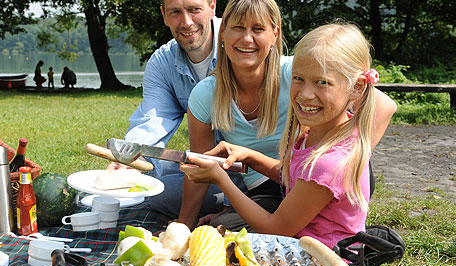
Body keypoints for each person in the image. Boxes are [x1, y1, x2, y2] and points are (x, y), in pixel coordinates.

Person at [177, 0, 396, 230]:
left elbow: (383, 105)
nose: (247, 39)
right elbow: (200, 164)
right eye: (239, 28)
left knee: (231, 231)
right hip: (279, 181)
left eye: (258, 29)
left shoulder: (299, 70)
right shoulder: (206, 93)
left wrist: (347, 159)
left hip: (314, 181)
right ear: (222, 33)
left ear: (275, 34)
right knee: (221, 226)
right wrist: (183, 225)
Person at [107, 0, 247, 220]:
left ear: (212, 6)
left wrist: (231, 206)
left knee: (159, 194)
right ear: (163, 15)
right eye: (175, 12)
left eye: (194, 9)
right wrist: (128, 156)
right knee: (147, 168)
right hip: (206, 161)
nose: (186, 22)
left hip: (250, 170)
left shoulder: (241, 46)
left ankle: (238, 205)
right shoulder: (162, 62)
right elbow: (153, 119)